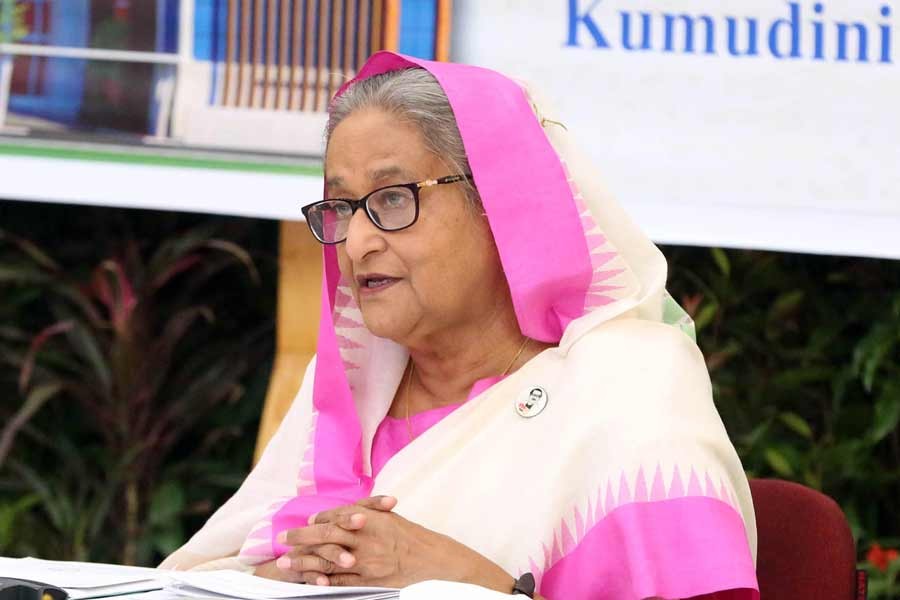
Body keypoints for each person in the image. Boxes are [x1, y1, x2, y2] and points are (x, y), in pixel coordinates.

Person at [160, 51, 759, 600]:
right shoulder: (347, 388)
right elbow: (202, 581)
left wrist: (468, 583)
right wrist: (293, 574)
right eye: (341, 206)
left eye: (393, 199)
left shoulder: (626, 383)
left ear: (502, 207)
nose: (358, 242)